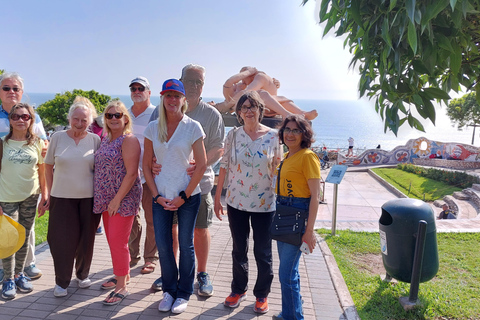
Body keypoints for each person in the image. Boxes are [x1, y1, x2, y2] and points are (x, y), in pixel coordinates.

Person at [149, 64, 225, 296]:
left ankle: (201, 274)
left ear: (203, 86)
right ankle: (169, 273)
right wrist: (151, 161)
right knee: (170, 231)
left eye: (198, 82)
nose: (193, 86)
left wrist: (199, 165)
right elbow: (152, 143)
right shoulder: (159, 112)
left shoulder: (211, 115)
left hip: (198, 187)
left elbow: (218, 148)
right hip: (168, 186)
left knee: (199, 230)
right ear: (180, 81)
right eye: (189, 80)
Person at [214, 91, 282, 313]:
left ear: (260, 110)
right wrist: (218, 198)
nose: (249, 110)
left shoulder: (273, 137)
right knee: (238, 249)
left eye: (253, 106)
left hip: (265, 204)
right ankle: (238, 289)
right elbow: (224, 166)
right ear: (239, 113)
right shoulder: (233, 136)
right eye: (244, 107)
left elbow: (278, 168)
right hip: (236, 202)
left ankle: (261, 295)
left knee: (263, 251)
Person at [143, 79, 207, 314]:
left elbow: (200, 165)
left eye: (176, 96)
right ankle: (169, 290)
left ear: (183, 100)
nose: (172, 100)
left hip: (188, 197)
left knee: (186, 245)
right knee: (163, 244)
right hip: (161, 197)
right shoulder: (153, 127)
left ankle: (184, 292)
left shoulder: (193, 127)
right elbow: (145, 165)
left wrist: (184, 195)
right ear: (162, 99)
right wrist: (157, 195)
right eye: (167, 96)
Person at [44, 96, 101, 297]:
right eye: (75, 119)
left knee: (86, 240)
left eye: (84, 120)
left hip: (89, 199)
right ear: (69, 118)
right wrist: (50, 192)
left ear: (90, 121)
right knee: (60, 240)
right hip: (61, 197)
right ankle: (61, 281)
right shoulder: (57, 138)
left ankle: (82, 274)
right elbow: (48, 166)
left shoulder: (95, 140)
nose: (79, 124)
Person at [93, 101, 142, 305]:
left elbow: (131, 174)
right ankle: (123, 274)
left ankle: (122, 286)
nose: (113, 118)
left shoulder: (128, 140)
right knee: (114, 241)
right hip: (107, 199)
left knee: (117, 242)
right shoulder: (104, 139)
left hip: (122, 198)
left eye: (117, 115)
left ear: (125, 118)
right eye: (109, 115)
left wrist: (116, 200)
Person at [0, 72, 48, 281]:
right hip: (5, 187)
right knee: (6, 231)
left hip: (28, 186)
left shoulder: (34, 117)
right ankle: (7, 272)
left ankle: (26, 265)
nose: (11, 92)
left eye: (16, 88)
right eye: (6, 88)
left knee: (26, 230)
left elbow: (44, 148)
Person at [275, 115, 321, 320]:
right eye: (287, 129)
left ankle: (294, 317)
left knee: (286, 274)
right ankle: (290, 313)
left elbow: (315, 197)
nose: (290, 134)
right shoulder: (287, 156)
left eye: (295, 130)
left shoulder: (308, 157)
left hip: (298, 215)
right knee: (289, 272)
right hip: (284, 212)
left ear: (304, 134)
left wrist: (309, 231)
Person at [124, 76, 158, 276]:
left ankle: (150, 258)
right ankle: (132, 255)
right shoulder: (124, 114)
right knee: (131, 217)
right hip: (128, 175)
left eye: (141, 88)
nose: (137, 91)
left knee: (152, 218)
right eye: (133, 88)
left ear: (148, 92)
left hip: (149, 175)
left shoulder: (156, 114)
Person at [211, 66, 317, 120]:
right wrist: (247, 73)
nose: (242, 80)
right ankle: (288, 114)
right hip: (249, 108)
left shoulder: (251, 83)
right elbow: (244, 91)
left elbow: (248, 91)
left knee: (279, 98)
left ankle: (302, 113)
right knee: (261, 94)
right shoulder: (234, 88)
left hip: (259, 106)